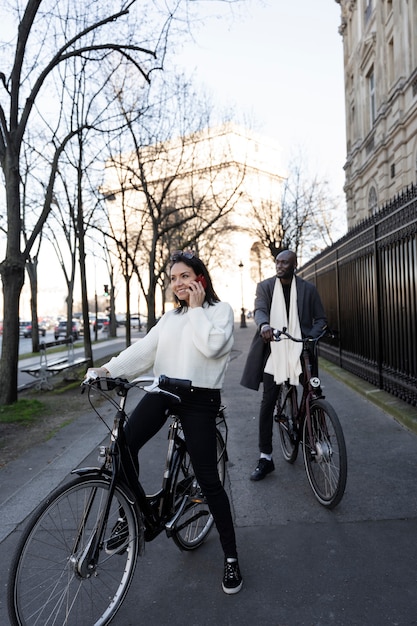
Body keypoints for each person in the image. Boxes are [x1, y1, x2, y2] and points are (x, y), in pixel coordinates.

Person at [85, 250, 243, 595]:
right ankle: (133, 515)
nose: (178, 283)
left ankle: (231, 558)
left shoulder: (220, 312)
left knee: (208, 480)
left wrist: (198, 310)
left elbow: (212, 348)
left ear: (200, 277)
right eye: (173, 278)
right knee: (121, 445)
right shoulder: (170, 319)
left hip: (200, 400)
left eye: (185, 275)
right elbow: (145, 350)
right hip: (164, 390)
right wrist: (107, 370)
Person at [240, 249, 327, 481]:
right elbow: (260, 310)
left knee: (313, 393)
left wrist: (310, 336)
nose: (279, 266)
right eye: (277, 262)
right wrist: (264, 325)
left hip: (300, 349)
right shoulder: (265, 287)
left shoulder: (308, 289)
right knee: (268, 402)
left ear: (294, 265)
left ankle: (314, 436)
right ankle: (265, 457)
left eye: (284, 262)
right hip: (274, 351)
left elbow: (321, 320)